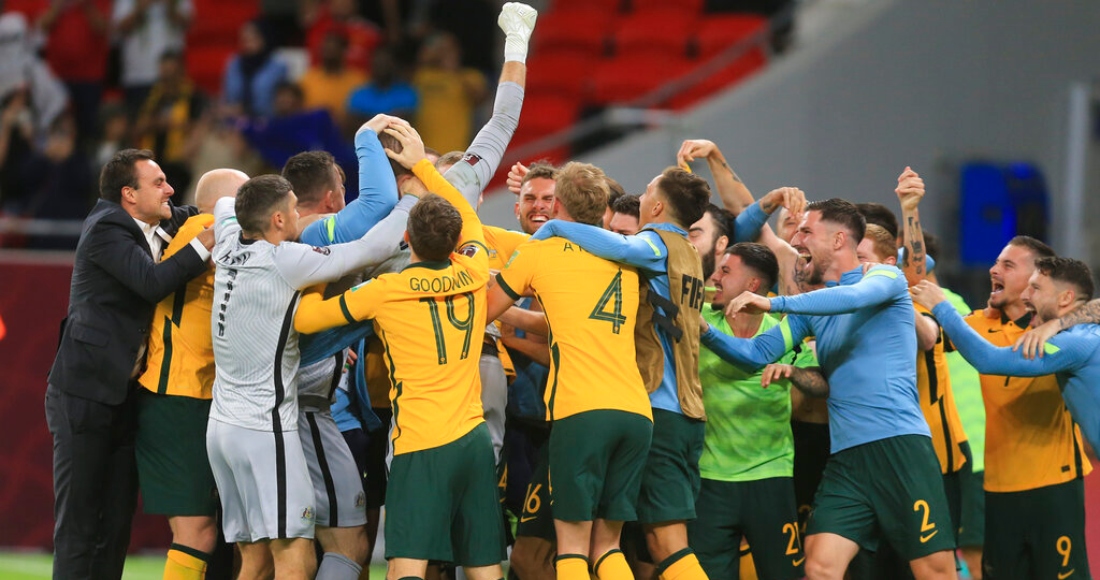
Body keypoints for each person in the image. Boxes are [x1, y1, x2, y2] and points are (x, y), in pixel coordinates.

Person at [295, 122, 506, 580]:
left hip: (420, 443)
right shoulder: (474, 269)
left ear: (405, 238)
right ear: (456, 243)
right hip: (472, 438)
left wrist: (312, 267)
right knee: (484, 566)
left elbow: (305, 322)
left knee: (407, 563)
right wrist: (424, 168)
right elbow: (469, 221)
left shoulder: (385, 290)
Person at [703, 198, 956, 579]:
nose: (797, 238)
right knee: (820, 566)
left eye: (806, 231)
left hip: (899, 447)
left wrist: (775, 304)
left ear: (839, 240)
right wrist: (702, 330)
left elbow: (851, 298)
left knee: (934, 571)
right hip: (847, 459)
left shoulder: (884, 279)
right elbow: (755, 354)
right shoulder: (810, 309)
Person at [205, 173, 416, 579]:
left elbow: (223, 203)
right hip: (266, 431)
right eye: (292, 208)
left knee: (254, 561)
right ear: (279, 221)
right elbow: (372, 247)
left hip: (222, 430)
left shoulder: (229, 240)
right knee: (295, 558)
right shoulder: (285, 260)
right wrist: (409, 203)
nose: (299, 213)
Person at [531, 166, 712, 580]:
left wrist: (557, 227)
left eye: (648, 189)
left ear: (659, 205)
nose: (642, 195)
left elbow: (624, 249)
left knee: (664, 542)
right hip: (687, 409)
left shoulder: (655, 242)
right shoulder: (691, 255)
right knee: (615, 545)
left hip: (657, 404)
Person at [46, 148, 215, 580]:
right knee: (81, 522)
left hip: (126, 397)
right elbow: (151, 283)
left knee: (116, 523)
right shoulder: (107, 227)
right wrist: (205, 241)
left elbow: (204, 206)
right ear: (128, 194)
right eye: (158, 183)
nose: (170, 190)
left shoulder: (162, 219)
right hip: (84, 395)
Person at [486, 162, 655, 580]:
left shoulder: (540, 251)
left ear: (557, 203)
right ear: (603, 209)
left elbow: (485, 310)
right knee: (608, 546)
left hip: (581, 413)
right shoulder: (628, 255)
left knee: (572, 548)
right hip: (636, 412)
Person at [911, 257, 1097, 580]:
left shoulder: (1073, 344)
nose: (1028, 297)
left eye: (1036, 289)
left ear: (1065, 299)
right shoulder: (1079, 334)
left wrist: (942, 307)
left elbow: (988, 359)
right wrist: (1057, 322)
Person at [134, 168, 247, 580]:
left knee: (214, 531)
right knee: (196, 532)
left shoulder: (199, 233)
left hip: (195, 394)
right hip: (179, 397)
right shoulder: (210, 231)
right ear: (227, 203)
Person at [692, 242, 814, 580]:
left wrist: (795, 372)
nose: (714, 277)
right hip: (709, 479)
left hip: (770, 477)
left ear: (752, 286)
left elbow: (820, 385)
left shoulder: (785, 331)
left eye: (725, 271)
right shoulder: (698, 322)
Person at [112, 0, 192, 116]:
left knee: (174, 124)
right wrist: (141, 8)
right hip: (138, 76)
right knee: (140, 124)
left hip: (171, 77)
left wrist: (170, 6)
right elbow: (118, 29)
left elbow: (188, 24)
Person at [222, 19, 288, 119]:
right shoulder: (234, 63)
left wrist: (246, 110)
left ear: (264, 37)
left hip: (267, 121)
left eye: (253, 37)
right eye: (245, 38)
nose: (248, 41)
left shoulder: (278, 66)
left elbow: (283, 102)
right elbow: (226, 96)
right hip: (234, 122)